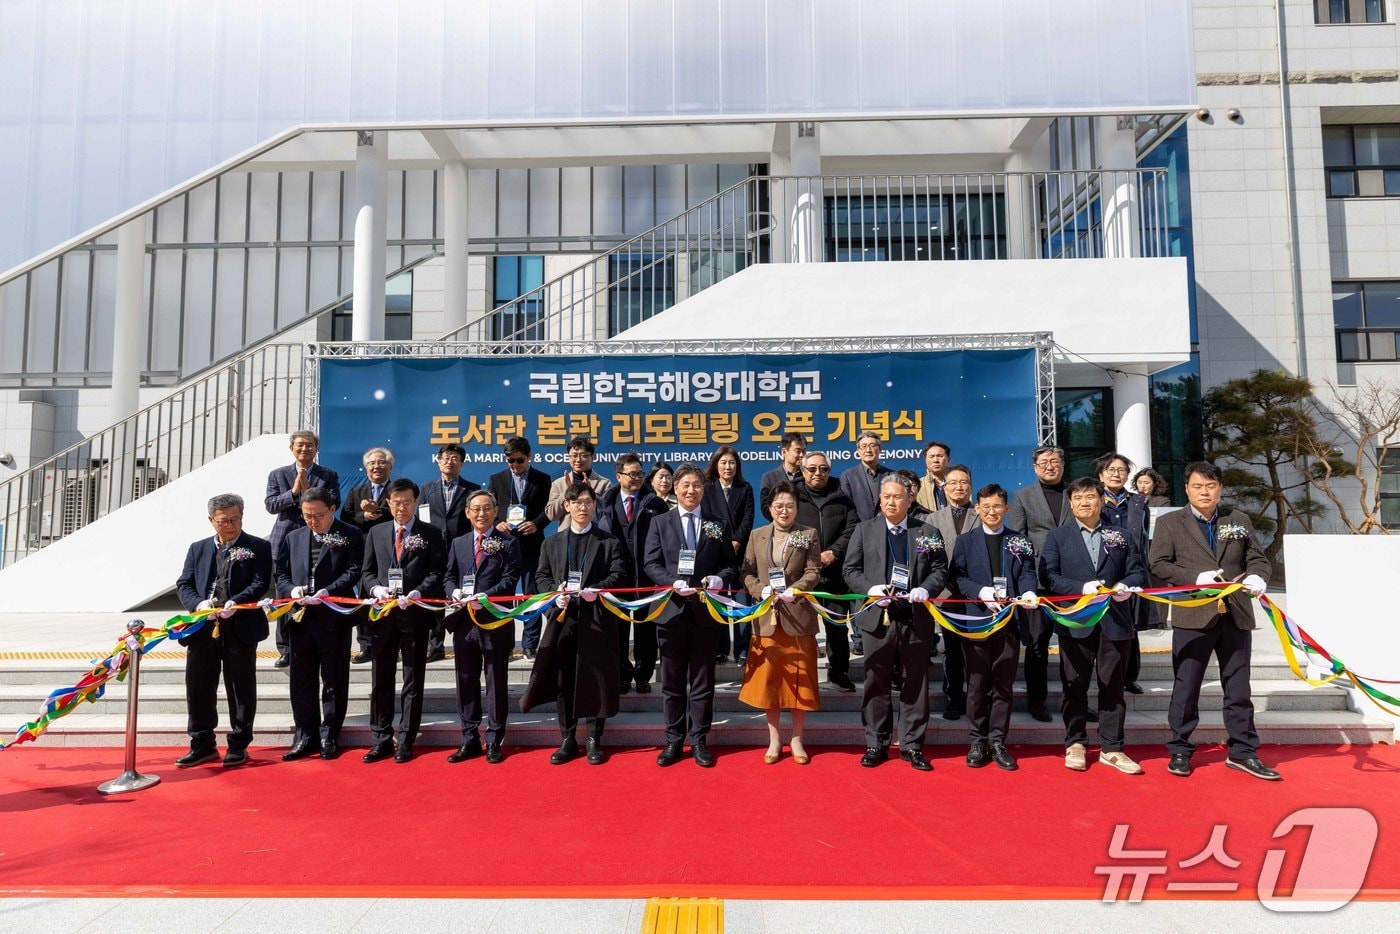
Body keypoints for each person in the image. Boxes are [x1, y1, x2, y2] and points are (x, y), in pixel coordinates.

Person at [1148, 461, 1278, 781]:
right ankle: (1180, 748)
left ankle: (1243, 751)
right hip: (1193, 615)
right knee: (1186, 686)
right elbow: (1158, 563)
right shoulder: (1169, 523)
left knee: (1237, 687)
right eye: (1197, 486)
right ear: (1187, 489)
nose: (1204, 492)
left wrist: (1260, 577)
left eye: (1210, 486)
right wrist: (1195, 577)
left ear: (1220, 488)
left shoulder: (1238, 519)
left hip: (1235, 614)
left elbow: (1257, 558)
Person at [1041, 477, 1150, 775]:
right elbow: (1049, 576)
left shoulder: (1122, 535)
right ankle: (1075, 742)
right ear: (1071, 503)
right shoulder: (1057, 537)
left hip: (1115, 622)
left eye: (1090, 497)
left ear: (1101, 500)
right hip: (1076, 622)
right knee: (1073, 685)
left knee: (1112, 686)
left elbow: (1138, 571)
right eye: (1078, 498)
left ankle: (1112, 748)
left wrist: (1127, 585)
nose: (1084, 502)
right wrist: (1080, 587)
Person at [842, 475, 949, 772]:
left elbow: (941, 569)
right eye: (885, 496)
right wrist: (870, 589)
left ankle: (912, 745)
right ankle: (876, 742)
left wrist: (926, 588)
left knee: (915, 682)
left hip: (915, 618)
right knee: (876, 683)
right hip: (879, 617)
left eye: (897, 496)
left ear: (910, 499)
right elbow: (850, 570)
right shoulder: (865, 530)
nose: (890, 501)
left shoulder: (927, 531)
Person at [643, 463, 738, 768]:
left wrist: (719, 580)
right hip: (671, 611)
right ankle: (673, 739)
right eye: (684, 485)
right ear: (674, 488)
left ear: (703, 489)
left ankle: (699, 739)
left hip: (705, 613)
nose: (690, 491)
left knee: (702, 680)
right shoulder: (660, 522)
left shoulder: (717, 523)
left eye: (696, 485)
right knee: (671, 681)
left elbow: (729, 565)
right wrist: (672, 581)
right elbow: (650, 563)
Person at [524, 483, 626, 765]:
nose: (582, 507)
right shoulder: (552, 542)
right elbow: (541, 577)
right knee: (564, 679)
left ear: (594, 506)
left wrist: (597, 589)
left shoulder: (608, 541)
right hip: (564, 619)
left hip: (597, 620)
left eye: (588, 502)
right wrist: (553, 595)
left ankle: (594, 739)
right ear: (566, 506)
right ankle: (567, 738)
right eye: (577, 502)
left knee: (596, 679)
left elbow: (619, 575)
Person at [173, 493, 273, 768]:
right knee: (198, 685)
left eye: (235, 519)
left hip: (239, 623)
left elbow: (261, 582)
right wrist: (198, 603)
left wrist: (237, 601)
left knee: (240, 685)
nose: (229, 526)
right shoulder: (198, 548)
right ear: (211, 520)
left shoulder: (258, 547)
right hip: (203, 625)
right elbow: (184, 583)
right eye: (222, 521)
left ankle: (239, 743)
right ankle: (202, 743)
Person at [952, 483, 1039, 772]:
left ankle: (998, 740)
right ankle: (977, 740)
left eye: (997, 506)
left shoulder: (1019, 540)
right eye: (986, 506)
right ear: (977, 508)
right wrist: (981, 592)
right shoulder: (965, 541)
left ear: (1007, 508)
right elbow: (958, 578)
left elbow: (1027, 572)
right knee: (977, 683)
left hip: (1009, 622)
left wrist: (1027, 592)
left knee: (1003, 684)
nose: (992, 511)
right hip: (977, 620)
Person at [360, 478, 446, 764]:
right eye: (396, 502)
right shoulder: (376, 532)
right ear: (388, 503)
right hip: (383, 617)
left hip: (415, 614)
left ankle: (407, 736)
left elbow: (437, 571)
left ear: (416, 502)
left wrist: (419, 591)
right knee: (381, 678)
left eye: (407, 501)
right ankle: (381, 737)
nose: (401, 507)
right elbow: (367, 572)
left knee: (412, 679)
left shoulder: (431, 533)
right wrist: (376, 589)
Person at [274, 487, 363, 762]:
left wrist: (329, 590)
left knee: (334, 678)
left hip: (333, 615)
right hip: (301, 618)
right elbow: (281, 573)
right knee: (302, 680)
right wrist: (293, 590)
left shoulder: (350, 534)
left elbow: (353, 570)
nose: (313, 521)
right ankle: (305, 734)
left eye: (318, 515)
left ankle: (329, 733)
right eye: (307, 515)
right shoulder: (294, 537)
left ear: (332, 509)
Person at [740, 483, 822, 764]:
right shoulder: (757, 535)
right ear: (770, 509)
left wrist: (796, 588)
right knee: (770, 682)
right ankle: (774, 739)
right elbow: (747, 571)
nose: (784, 511)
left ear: (797, 508)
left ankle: (797, 739)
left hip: (797, 616)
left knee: (799, 683)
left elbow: (814, 570)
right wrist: (759, 589)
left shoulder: (807, 534)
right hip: (767, 619)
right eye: (778, 506)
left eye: (789, 505)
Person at [443, 489, 523, 765]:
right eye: (475, 509)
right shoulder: (459, 542)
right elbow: (449, 575)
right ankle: (468, 738)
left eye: (486, 508)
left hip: (494, 621)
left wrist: (486, 598)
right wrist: (453, 591)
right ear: (467, 512)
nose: (481, 513)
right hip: (464, 622)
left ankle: (494, 738)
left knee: (495, 681)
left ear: (495, 511)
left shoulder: (509, 543)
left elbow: (511, 580)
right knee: (465, 680)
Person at [1006, 444, 1072, 723]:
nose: (1050, 466)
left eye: (1055, 461)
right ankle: (1037, 701)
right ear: (1034, 468)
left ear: (1063, 464)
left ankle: (1075, 702)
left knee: (1075, 647)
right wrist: (1024, 583)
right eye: (1044, 462)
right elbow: (1017, 543)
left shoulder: (1077, 493)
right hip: (1039, 583)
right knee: (1036, 647)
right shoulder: (1023, 497)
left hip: (1073, 582)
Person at [596, 452, 671, 693]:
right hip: (616, 575)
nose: (638, 478)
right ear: (619, 476)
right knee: (616, 629)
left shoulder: (655, 503)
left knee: (645, 629)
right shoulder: (605, 502)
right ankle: (621, 674)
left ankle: (642, 675)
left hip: (646, 574)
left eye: (640, 473)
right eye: (632, 474)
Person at [265, 430, 341, 668]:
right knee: (285, 595)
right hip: (286, 540)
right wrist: (294, 492)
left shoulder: (327, 474)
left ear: (316, 449)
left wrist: (309, 493)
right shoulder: (278, 474)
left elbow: (333, 502)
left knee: (316, 590)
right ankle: (285, 648)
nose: (304, 449)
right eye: (300, 445)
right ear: (292, 449)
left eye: (309, 445)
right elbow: (270, 505)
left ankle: (316, 639)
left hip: (318, 541)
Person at [795, 451, 859, 693]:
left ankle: (839, 672)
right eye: (811, 469)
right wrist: (810, 556)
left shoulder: (842, 498)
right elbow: (788, 527)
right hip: (803, 574)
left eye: (823, 469)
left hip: (835, 573)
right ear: (802, 472)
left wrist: (834, 551)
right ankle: (804, 674)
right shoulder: (795, 497)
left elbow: (852, 528)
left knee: (837, 626)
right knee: (803, 627)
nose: (817, 473)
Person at [487, 436, 551, 657]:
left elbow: (548, 510)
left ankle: (530, 644)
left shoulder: (543, 479)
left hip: (532, 543)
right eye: (510, 460)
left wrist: (536, 524)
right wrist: (497, 523)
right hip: (503, 545)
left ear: (529, 456)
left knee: (531, 593)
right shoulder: (497, 479)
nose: (514, 465)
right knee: (503, 592)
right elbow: (489, 508)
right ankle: (503, 642)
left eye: (519, 460)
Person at [420, 442, 482, 663]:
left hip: (463, 548)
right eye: (445, 457)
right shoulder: (427, 489)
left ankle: (469, 639)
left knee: (464, 593)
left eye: (455, 458)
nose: (450, 461)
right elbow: (422, 518)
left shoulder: (472, 490)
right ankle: (435, 645)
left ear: (462, 463)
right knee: (435, 596)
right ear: (438, 461)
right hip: (435, 549)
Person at [1095, 452, 1151, 695]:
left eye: (1121, 470)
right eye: (1110, 470)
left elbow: (1144, 537)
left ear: (1128, 475)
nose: (1116, 474)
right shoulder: (1094, 501)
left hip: (1131, 570)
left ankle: (1130, 675)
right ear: (1100, 475)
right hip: (1103, 569)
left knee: (1131, 625)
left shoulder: (1138, 502)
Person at [927, 464, 975, 720]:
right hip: (946, 594)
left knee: (976, 650)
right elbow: (926, 559)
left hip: (977, 597)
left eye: (964, 482)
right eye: (953, 482)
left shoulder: (982, 513)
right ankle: (954, 697)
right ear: (943, 487)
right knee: (952, 651)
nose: (959, 487)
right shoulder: (932, 520)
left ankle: (977, 698)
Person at [341, 447, 395, 665]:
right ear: (366, 467)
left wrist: (379, 512)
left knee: (391, 595)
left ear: (390, 467)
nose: (376, 466)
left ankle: (391, 640)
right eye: (372, 463)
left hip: (391, 550)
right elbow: (346, 518)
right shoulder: (357, 491)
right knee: (366, 595)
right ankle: (366, 644)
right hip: (365, 551)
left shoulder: (397, 489)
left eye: (381, 463)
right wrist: (364, 515)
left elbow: (404, 514)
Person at [703, 445, 755, 664]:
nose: (728, 467)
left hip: (740, 552)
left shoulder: (745, 488)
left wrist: (736, 540)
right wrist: (724, 543)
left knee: (742, 601)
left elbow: (748, 518)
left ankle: (743, 650)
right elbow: (706, 518)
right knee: (721, 600)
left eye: (732, 463)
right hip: (716, 553)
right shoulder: (707, 488)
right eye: (723, 462)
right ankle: (721, 649)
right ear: (716, 464)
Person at [545, 435, 612, 523]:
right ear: (568, 457)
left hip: (595, 534)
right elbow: (551, 515)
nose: (578, 459)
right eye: (574, 455)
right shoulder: (558, 484)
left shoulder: (604, 483)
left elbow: (608, 512)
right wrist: (567, 492)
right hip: (567, 535)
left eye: (583, 455)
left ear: (592, 457)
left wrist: (591, 493)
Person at [839, 431, 893, 522]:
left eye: (872, 445)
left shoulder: (892, 475)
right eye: (864, 446)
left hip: (886, 528)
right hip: (859, 529)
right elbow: (846, 509)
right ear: (858, 451)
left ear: (880, 449)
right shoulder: (848, 476)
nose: (868, 450)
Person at [758, 432, 808, 520]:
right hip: (780, 530)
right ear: (784, 452)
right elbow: (765, 508)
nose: (801, 455)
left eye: (804, 451)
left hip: (805, 528)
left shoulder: (808, 476)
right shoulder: (769, 477)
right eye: (798, 451)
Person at [916, 441, 952, 512]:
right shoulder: (918, 485)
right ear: (926, 461)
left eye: (940, 456)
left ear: (948, 459)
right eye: (931, 457)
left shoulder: (958, 483)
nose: (935, 460)